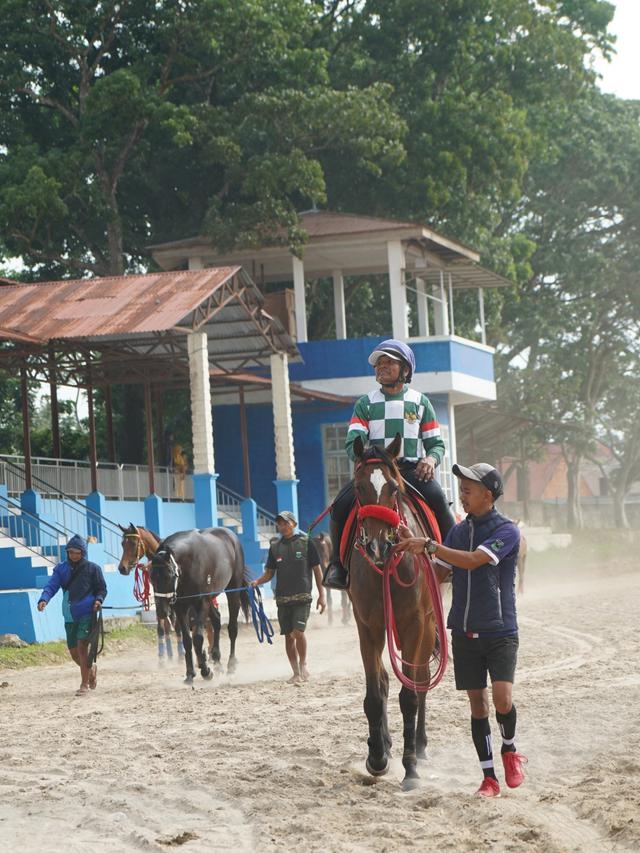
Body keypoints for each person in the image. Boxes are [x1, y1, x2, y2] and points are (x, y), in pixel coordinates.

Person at [392, 462, 527, 798]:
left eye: (467, 490)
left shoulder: (508, 531)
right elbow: (435, 573)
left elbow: (470, 561)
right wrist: (413, 550)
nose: (462, 496)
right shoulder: (456, 531)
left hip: (499, 630)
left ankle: (509, 749)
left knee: (502, 699)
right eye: (461, 489)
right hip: (464, 632)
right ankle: (489, 778)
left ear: (488, 494)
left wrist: (430, 546)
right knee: (477, 707)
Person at [323, 338, 456, 589]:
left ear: (405, 370)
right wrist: (362, 454)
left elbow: (436, 444)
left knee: (440, 502)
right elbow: (353, 442)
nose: (381, 367)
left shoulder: (420, 402)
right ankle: (337, 567)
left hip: (411, 470)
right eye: (378, 364)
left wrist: (430, 459)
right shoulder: (365, 403)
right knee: (339, 507)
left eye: (389, 362)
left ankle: (451, 561)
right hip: (375, 472)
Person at [252, 511, 326, 684]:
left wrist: (322, 595)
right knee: (288, 636)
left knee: (298, 632)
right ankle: (295, 673)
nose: (282, 526)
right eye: (280, 523)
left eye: (286, 523)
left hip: (303, 596)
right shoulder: (275, 547)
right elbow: (269, 573)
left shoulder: (306, 543)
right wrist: (257, 582)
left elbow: (317, 570)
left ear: (294, 523)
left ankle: (303, 665)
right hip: (283, 599)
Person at [37, 534, 107, 697]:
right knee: (74, 653)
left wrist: (98, 600)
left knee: (82, 647)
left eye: (77, 552)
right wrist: (44, 599)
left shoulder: (93, 569)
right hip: (69, 615)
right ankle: (90, 671)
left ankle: (84, 684)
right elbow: (51, 586)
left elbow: (101, 589)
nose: (74, 555)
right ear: (67, 552)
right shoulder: (61, 569)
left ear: (83, 552)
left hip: (87, 614)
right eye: (71, 552)